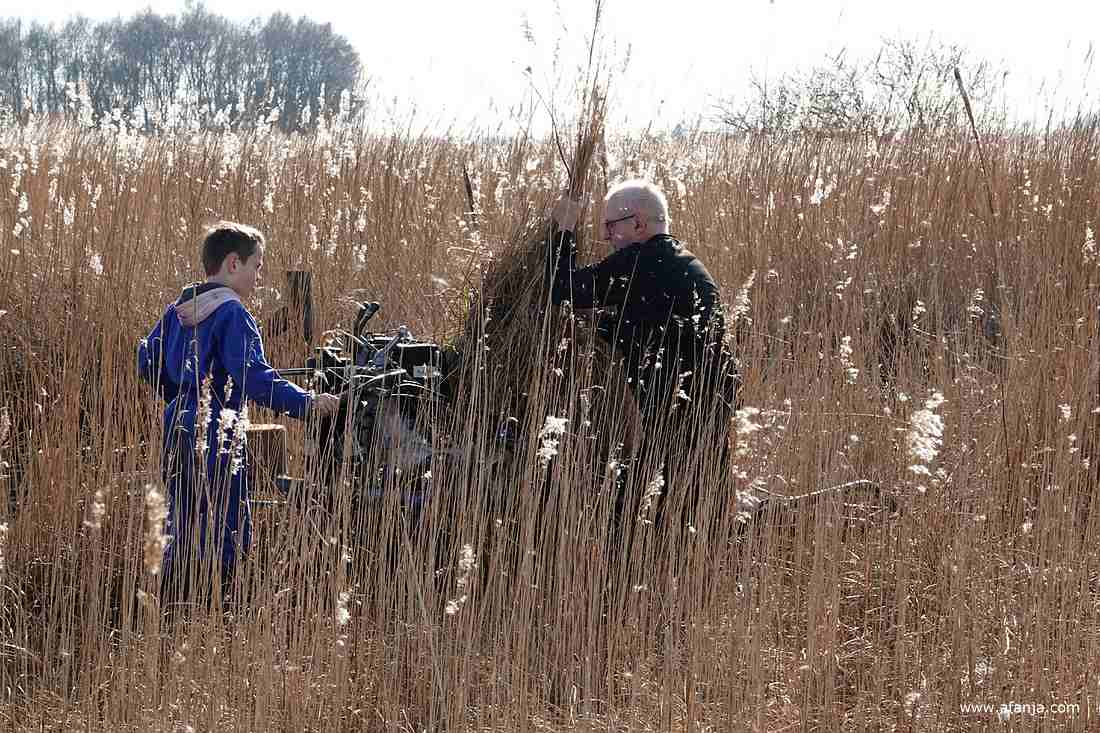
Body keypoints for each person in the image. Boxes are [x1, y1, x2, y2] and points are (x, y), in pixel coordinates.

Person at [137, 221, 339, 607]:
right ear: (233, 263)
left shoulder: (178, 310)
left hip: (177, 424)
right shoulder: (232, 313)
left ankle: (173, 607)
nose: (259, 276)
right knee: (225, 523)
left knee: (182, 517)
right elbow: (255, 378)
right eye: (256, 266)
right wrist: (308, 403)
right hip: (218, 428)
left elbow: (146, 358)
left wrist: (177, 395)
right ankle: (218, 608)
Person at [548, 180, 742, 533]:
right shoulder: (684, 264)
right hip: (710, 400)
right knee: (702, 502)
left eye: (610, 226)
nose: (606, 237)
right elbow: (646, 325)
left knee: (636, 505)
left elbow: (562, 288)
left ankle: (627, 547)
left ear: (637, 223)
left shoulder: (640, 261)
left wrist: (564, 231)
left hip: (677, 406)